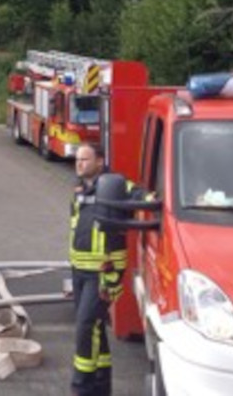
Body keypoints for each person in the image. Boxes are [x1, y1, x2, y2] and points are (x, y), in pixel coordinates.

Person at [68, 143, 143, 396]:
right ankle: (101, 386)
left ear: (100, 161)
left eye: (85, 159)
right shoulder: (79, 189)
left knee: (85, 327)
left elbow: (141, 195)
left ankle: (82, 387)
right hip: (79, 271)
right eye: (77, 159)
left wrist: (155, 200)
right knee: (96, 326)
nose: (79, 164)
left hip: (103, 272)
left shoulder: (115, 185)